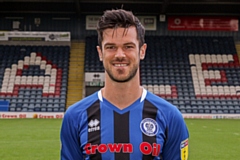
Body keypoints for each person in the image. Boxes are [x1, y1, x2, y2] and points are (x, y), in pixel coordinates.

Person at [60, 9, 189, 160]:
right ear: (100, 53)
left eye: (128, 46)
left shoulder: (170, 117)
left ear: (142, 51)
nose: (120, 55)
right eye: (111, 47)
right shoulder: (75, 116)